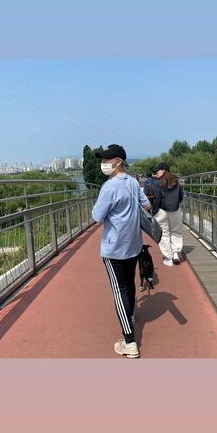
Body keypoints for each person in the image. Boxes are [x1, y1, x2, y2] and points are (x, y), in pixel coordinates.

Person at [92, 144, 151, 358]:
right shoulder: (133, 182)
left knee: (119, 291)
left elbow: (97, 216)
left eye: (107, 161)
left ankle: (130, 343)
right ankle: (131, 316)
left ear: (118, 162)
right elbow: (146, 205)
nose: (104, 164)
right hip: (133, 244)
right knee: (129, 284)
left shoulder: (109, 187)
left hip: (114, 247)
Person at [152, 162, 184, 267]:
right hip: (175, 210)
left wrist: (154, 212)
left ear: (163, 170)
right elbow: (181, 197)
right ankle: (176, 253)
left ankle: (168, 258)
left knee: (164, 234)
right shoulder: (176, 182)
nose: (156, 173)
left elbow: (157, 199)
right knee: (176, 231)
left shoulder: (158, 183)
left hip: (162, 210)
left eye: (157, 171)